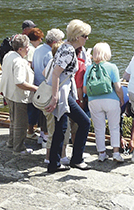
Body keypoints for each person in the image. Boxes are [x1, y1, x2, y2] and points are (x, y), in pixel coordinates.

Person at [45, 19, 91, 173]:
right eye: (85, 36)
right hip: (62, 93)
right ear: (78, 36)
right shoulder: (69, 50)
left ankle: (54, 163)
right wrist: (55, 97)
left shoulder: (64, 46)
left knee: (60, 128)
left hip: (62, 93)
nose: (87, 38)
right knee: (84, 122)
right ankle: (76, 159)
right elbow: (56, 74)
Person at [84, 42, 124, 162]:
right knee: (114, 127)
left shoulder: (89, 68)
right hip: (111, 100)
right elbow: (118, 87)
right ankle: (116, 153)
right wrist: (121, 98)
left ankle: (102, 153)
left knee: (98, 128)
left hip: (93, 101)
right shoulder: (112, 67)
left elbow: (85, 89)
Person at [0, 34, 38, 155]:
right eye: (27, 47)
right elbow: (20, 82)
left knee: (13, 120)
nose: (28, 49)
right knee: (21, 123)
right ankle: (19, 148)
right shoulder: (19, 62)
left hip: (8, 92)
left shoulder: (8, 55)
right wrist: (36, 88)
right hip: (17, 96)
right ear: (20, 48)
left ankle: (11, 142)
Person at [31, 28, 65, 148]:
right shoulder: (51, 54)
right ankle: (46, 138)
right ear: (55, 41)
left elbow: (34, 66)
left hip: (37, 85)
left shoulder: (38, 49)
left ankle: (41, 135)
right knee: (48, 114)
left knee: (41, 113)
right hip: (47, 86)